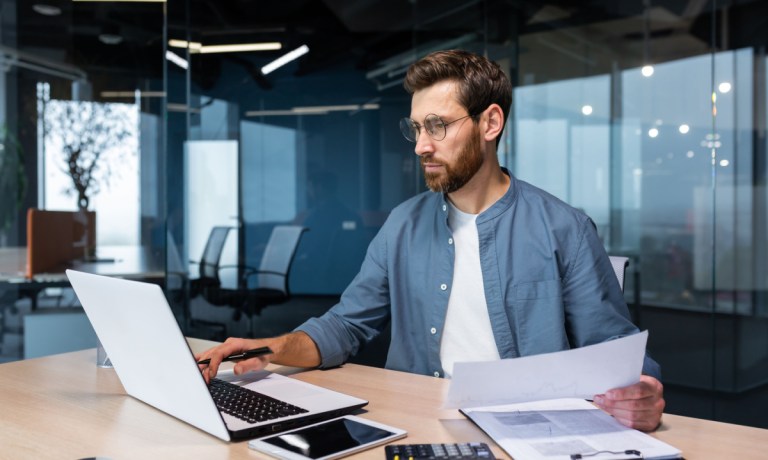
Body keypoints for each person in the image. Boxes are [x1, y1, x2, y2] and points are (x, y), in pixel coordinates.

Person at [196, 49, 665, 432]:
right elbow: (345, 327)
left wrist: (642, 389)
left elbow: (616, 351)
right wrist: (265, 348)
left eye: (438, 126)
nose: (421, 145)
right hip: (416, 421)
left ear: (490, 123)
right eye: (417, 128)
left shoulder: (564, 227)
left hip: (528, 432)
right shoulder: (402, 224)